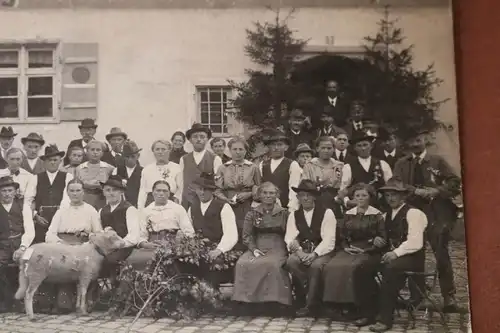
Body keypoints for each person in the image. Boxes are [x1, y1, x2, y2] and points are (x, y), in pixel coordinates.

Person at [393, 128, 461, 310]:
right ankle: (417, 296)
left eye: (418, 140)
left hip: (436, 214)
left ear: (424, 140)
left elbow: (455, 182)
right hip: (412, 214)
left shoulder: (437, 161)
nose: (415, 144)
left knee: (441, 254)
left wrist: (437, 191)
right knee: (414, 253)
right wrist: (415, 191)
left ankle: (449, 297)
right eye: (411, 142)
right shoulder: (401, 163)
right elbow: (396, 183)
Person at [369, 178, 428, 332]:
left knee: (390, 269)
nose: (391, 198)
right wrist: (376, 239)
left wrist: (395, 253)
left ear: (403, 196)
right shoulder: (385, 214)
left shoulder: (414, 213)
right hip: (392, 255)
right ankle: (368, 311)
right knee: (363, 265)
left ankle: (385, 319)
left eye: (394, 195)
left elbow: (416, 242)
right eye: (387, 195)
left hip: (412, 258)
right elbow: (380, 235)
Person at [323, 183, 386, 326]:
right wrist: (346, 247)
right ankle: (336, 305)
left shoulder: (377, 215)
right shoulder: (348, 214)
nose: (361, 198)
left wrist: (366, 249)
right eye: (357, 195)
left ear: (370, 197)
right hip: (350, 249)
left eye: (364, 195)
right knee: (333, 266)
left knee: (354, 267)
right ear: (353, 197)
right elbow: (343, 236)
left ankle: (355, 306)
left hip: (369, 250)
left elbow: (382, 238)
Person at [44, 178, 103, 313]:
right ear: (67, 192)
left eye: (78, 190)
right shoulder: (61, 211)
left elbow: (98, 235)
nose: (75, 194)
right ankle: (60, 298)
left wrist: (87, 237)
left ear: (83, 192)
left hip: (83, 248)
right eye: (72, 191)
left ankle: (81, 298)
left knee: (81, 264)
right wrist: (61, 244)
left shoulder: (91, 210)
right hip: (63, 247)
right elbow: (50, 234)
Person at [232, 182, 293, 308]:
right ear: (259, 195)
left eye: (272, 193)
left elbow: (290, 234)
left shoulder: (284, 213)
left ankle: (275, 302)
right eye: (265, 193)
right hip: (257, 246)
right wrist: (253, 249)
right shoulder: (252, 213)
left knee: (272, 264)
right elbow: (247, 236)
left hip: (277, 246)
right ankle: (246, 302)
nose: (268, 196)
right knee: (243, 263)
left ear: (277, 195)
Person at [284, 180, 337, 317]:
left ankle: (311, 305)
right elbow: (289, 237)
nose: (305, 198)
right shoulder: (294, 214)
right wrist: (300, 253)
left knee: (315, 266)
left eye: (308, 195)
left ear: (314, 196)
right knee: (291, 262)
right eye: (302, 195)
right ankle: (312, 294)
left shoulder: (327, 213)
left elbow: (329, 239)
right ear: (298, 198)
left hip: (322, 251)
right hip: (303, 250)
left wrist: (315, 254)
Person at [126, 180, 195, 271]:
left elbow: (189, 231)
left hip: (173, 245)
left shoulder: (178, 209)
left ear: (169, 194)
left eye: (164, 191)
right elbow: (142, 235)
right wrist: (145, 244)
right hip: (152, 245)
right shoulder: (146, 211)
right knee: (134, 260)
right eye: (158, 190)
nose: (161, 193)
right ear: (153, 192)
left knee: (170, 260)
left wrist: (180, 244)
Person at [188, 172, 238, 287]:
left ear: (212, 191)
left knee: (213, 265)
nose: (201, 192)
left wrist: (219, 249)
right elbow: (189, 231)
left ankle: (211, 296)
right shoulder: (192, 207)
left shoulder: (223, 206)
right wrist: (194, 245)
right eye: (199, 189)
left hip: (218, 247)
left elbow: (231, 234)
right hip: (198, 247)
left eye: (205, 189)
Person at [214, 137, 260, 246]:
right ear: (229, 150)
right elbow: (217, 190)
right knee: (228, 228)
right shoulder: (222, 168)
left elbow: (258, 187)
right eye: (234, 149)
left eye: (241, 149)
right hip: (227, 204)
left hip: (247, 204)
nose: (238, 152)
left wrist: (249, 194)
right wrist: (226, 199)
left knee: (245, 229)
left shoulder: (253, 167)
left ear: (245, 151)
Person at [0, 175, 35, 312]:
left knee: (28, 265)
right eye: (3, 191)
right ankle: (5, 300)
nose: (7, 194)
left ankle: (22, 301)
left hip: (21, 244)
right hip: (2, 246)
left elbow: (30, 231)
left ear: (15, 192)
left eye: (9, 190)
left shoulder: (23, 207)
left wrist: (22, 248)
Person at [338, 131, 392, 209]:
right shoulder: (348, 167)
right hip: (357, 208)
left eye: (365, 145)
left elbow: (390, 186)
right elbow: (343, 190)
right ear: (355, 148)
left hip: (379, 207)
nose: (363, 148)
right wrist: (348, 202)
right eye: (359, 146)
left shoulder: (382, 164)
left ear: (371, 146)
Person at [32, 145, 73, 244]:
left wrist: (59, 216)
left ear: (60, 161)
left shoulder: (68, 176)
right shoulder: (35, 178)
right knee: (41, 247)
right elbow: (29, 199)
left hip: (61, 219)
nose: (52, 162)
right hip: (41, 220)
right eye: (49, 160)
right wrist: (35, 216)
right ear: (44, 162)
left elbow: (67, 198)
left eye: (55, 160)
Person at [179, 123, 223, 210]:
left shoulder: (215, 159)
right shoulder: (183, 159)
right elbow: (181, 183)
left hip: (207, 202)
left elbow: (219, 183)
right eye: (195, 137)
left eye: (202, 137)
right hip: (188, 201)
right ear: (190, 140)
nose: (199, 139)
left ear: (207, 139)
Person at [301, 136, 344, 217]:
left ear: (334, 149)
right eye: (323, 148)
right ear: (317, 149)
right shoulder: (309, 166)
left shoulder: (339, 166)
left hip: (334, 203)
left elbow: (343, 186)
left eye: (329, 148)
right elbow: (305, 186)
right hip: (314, 203)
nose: (326, 151)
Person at [259, 129, 302, 211]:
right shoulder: (263, 164)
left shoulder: (292, 164)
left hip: (285, 208)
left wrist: (291, 209)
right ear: (269, 147)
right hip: (266, 208)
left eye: (279, 145)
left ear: (286, 147)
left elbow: (294, 189)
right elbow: (260, 188)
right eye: (273, 145)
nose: (276, 148)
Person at [138, 140, 181, 210]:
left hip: (170, 203)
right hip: (150, 204)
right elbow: (142, 191)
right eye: (157, 149)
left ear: (169, 151)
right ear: (153, 152)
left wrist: (176, 204)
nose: (160, 152)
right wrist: (140, 209)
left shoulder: (177, 168)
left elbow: (180, 189)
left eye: (163, 149)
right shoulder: (147, 169)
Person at [75, 140, 115, 210]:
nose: (95, 152)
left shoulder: (109, 168)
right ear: (87, 152)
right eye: (92, 150)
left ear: (102, 153)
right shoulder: (79, 168)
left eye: (98, 150)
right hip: (84, 201)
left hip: (103, 200)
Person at [114, 140, 143, 207]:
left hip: (137, 205)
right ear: (123, 157)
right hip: (120, 206)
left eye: (132, 156)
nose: (130, 159)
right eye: (127, 156)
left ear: (138, 156)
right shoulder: (117, 170)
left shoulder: (143, 171)